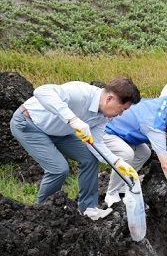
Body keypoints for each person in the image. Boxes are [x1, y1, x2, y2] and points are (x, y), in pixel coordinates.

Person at [10, 77, 141, 220]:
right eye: (122, 109)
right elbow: (41, 91)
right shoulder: (80, 92)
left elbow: (96, 144)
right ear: (109, 99)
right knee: (59, 169)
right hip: (29, 124)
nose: (121, 114)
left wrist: (117, 162)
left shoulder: (103, 117)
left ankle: (88, 209)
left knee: (89, 159)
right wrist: (73, 119)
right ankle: (42, 214)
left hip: (59, 131)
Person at [103, 84, 167, 209]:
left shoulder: (166, 104)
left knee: (144, 153)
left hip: (126, 127)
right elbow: (165, 165)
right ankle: (111, 193)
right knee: (126, 154)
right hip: (107, 128)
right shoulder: (156, 130)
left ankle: (124, 183)